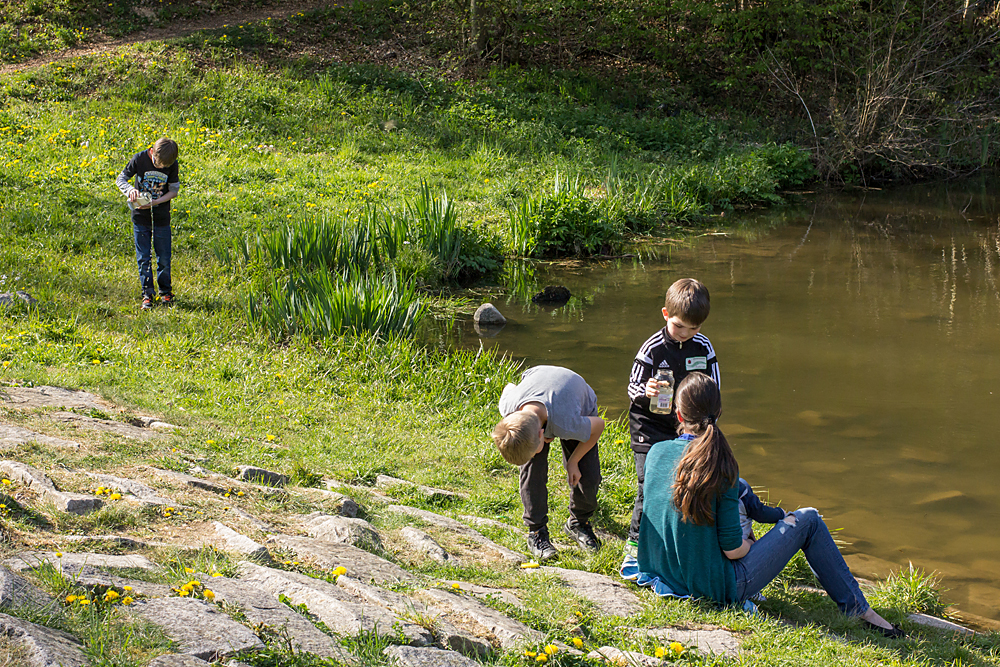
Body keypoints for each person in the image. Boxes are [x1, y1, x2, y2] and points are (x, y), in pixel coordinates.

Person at [636, 372, 904, 637]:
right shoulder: (721, 465)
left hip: (663, 573)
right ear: (719, 414)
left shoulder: (657, 452)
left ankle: (856, 606)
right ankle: (860, 610)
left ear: (679, 415)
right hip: (713, 587)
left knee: (742, 490)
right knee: (808, 519)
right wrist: (753, 544)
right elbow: (733, 551)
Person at [622, 278, 720, 575]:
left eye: (694, 328)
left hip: (689, 426)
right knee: (648, 486)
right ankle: (633, 549)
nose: (686, 334)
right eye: (679, 326)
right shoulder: (652, 347)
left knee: (689, 485)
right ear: (666, 314)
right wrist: (646, 391)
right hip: (650, 424)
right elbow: (632, 387)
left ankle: (679, 547)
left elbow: (714, 389)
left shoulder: (703, 347)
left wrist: (709, 428)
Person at [493, 365, 605, 561]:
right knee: (532, 470)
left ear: (542, 434)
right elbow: (509, 387)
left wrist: (574, 461)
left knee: (587, 476)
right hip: (539, 382)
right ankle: (536, 532)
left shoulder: (567, 422)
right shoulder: (509, 407)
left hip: (577, 399)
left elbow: (599, 425)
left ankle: (578, 523)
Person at [116, 138, 180, 310]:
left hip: (161, 217)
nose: (160, 168)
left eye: (163, 167)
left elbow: (173, 191)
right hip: (140, 216)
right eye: (157, 164)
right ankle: (147, 294)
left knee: (164, 257)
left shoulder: (171, 163)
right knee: (144, 257)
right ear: (152, 151)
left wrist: (155, 202)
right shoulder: (139, 159)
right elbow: (120, 179)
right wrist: (131, 190)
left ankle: (166, 291)